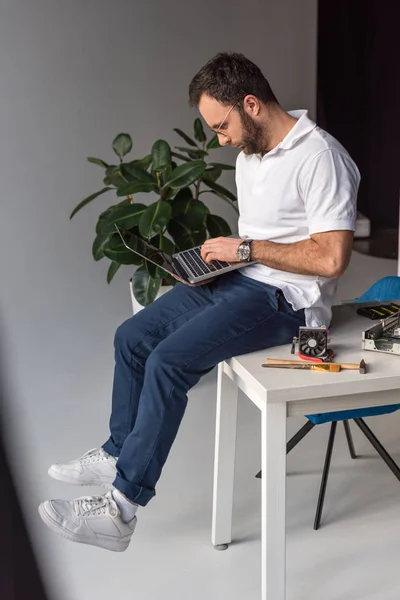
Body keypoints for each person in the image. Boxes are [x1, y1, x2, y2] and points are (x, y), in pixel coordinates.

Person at [38, 52, 360, 551]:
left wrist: (246, 249)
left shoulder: (322, 158)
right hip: (241, 277)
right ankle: (117, 448)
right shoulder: (252, 156)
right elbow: (269, 237)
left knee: (169, 361)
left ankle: (121, 510)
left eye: (220, 126)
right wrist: (225, 256)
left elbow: (332, 258)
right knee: (134, 336)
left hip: (287, 301)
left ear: (250, 104)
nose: (219, 140)